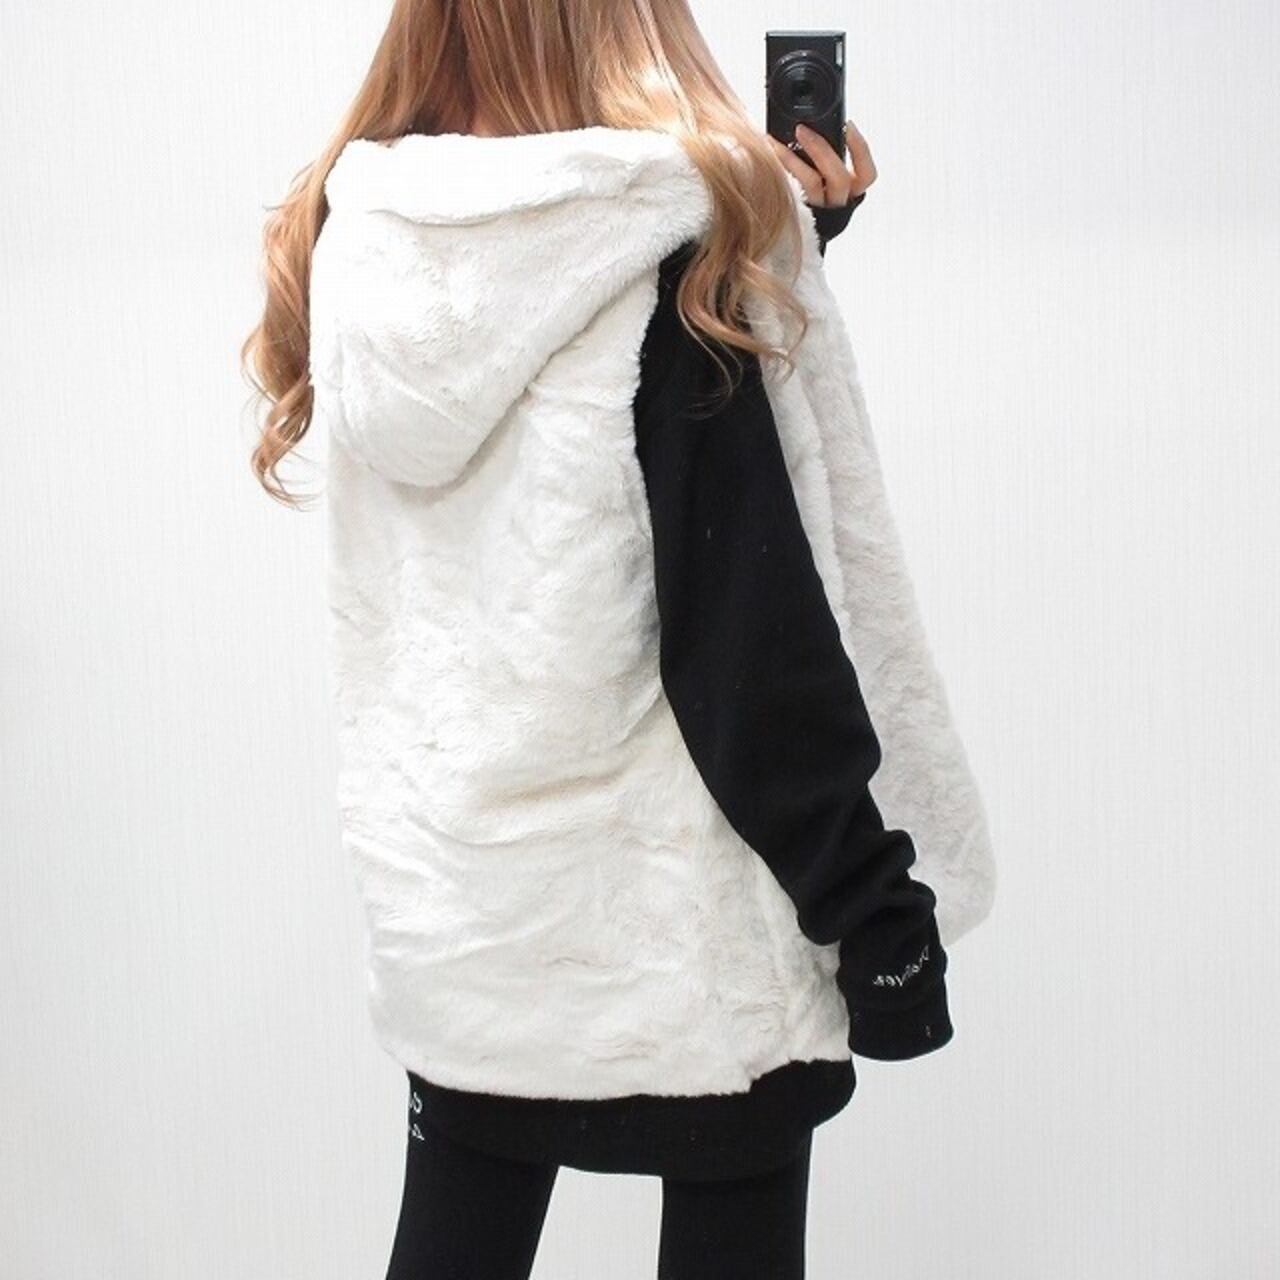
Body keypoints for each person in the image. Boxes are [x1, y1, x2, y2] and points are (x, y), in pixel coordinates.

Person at [241, 3, 997, 1276]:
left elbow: (552, 425)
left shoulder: (365, 238)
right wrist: (872, 912)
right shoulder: (671, 265)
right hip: (682, 946)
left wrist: (786, 247)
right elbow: (744, 642)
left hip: (472, 923)